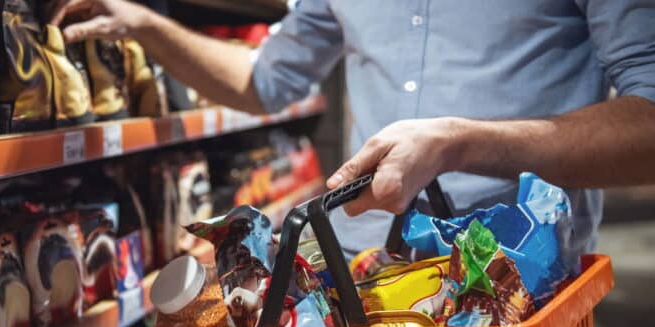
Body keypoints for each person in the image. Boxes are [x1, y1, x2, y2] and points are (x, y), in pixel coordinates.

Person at [53, 0, 655, 257]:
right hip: (365, 284)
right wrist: (146, 25)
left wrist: (459, 143)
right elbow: (265, 81)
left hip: (522, 284)